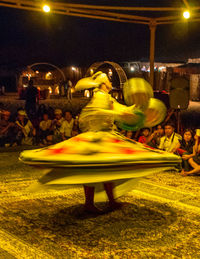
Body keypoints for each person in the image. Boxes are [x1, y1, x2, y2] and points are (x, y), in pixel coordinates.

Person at [20, 73, 181, 214]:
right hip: (97, 137)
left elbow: (119, 110)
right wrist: (127, 113)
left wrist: (137, 110)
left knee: (107, 169)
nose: (111, 82)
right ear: (104, 84)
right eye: (109, 81)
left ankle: (110, 201)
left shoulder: (106, 97)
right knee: (94, 169)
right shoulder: (100, 97)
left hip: (105, 136)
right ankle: (90, 203)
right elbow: (100, 113)